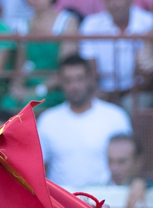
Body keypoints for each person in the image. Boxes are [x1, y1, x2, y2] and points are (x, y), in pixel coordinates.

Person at [38, 55, 132, 187]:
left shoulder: (116, 116)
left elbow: (130, 165)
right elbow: (38, 170)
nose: (74, 86)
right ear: (61, 82)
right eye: (68, 80)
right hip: (62, 203)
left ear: (90, 79)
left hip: (105, 200)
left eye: (79, 79)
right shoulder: (47, 120)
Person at [3, 0, 78, 112]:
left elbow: (66, 70)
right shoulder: (22, 25)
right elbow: (20, 66)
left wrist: (36, 91)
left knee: (29, 107)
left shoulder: (67, 22)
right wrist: (17, 88)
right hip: (29, 87)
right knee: (7, 104)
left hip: (55, 90)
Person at [79, 0, 153, 102]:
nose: (114, 4)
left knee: (132, 103)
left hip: (140, 92)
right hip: (103, 93)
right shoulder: (91, 24)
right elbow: (90, 69)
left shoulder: (149, 21)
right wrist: (99, 92)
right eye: (108, 0)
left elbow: (151, 76)